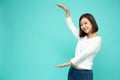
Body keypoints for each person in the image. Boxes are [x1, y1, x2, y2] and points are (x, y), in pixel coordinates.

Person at [56, 3, 102, 80]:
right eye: (81, 24)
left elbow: (84, 54)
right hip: (72, 71)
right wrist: (67, 12)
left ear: (92, 22)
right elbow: (71, 27)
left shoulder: (97, 40)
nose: (83, 26)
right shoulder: (82, 37)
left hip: (84, 74)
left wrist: (69, 62)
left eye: (85, 23)